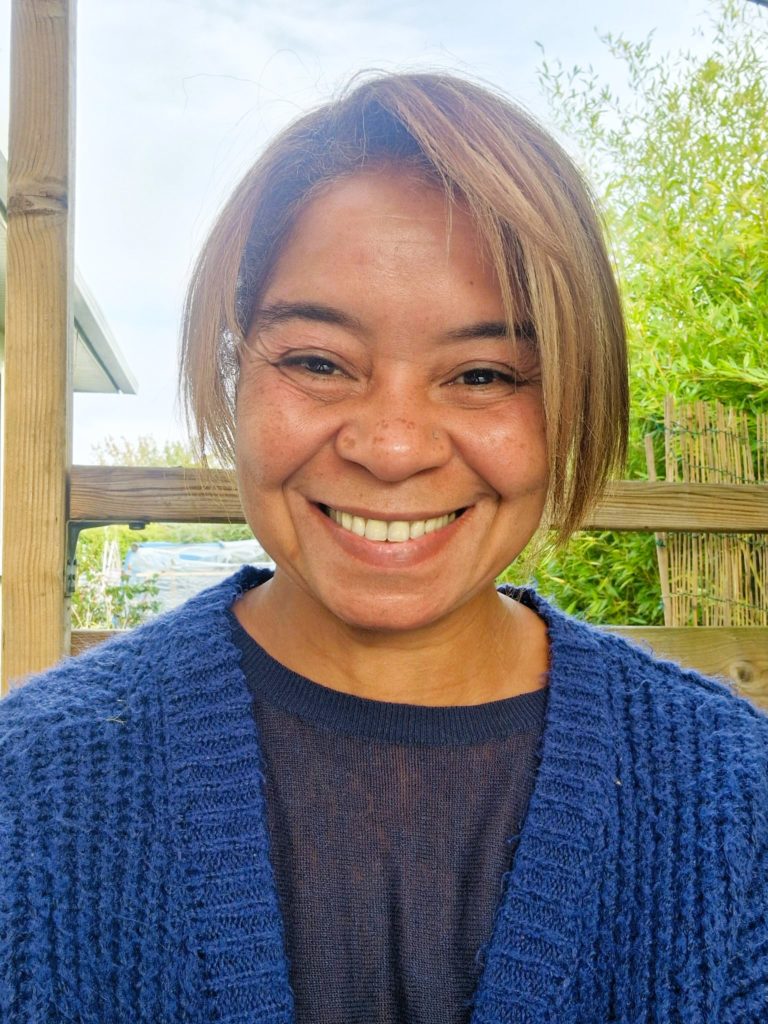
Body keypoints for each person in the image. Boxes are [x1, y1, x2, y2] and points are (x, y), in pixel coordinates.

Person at [1, 72, 766, 1024]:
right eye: (319, 362)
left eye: (483, 374)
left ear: (577, 396)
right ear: (235, 370)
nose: (394, 448)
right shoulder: (31, 788)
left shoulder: (731, 801)